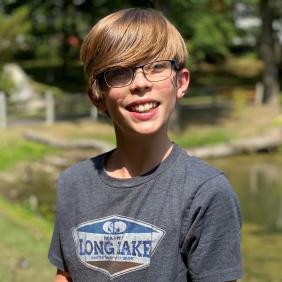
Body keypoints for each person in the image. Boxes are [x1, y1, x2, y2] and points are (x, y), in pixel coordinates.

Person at [48, 7, 243, 282]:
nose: (140, 83)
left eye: (157, 66)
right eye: (118, 71)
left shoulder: (206, 193)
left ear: (181, 82)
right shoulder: (73, 184)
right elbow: (65, 275)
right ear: (97, 96)